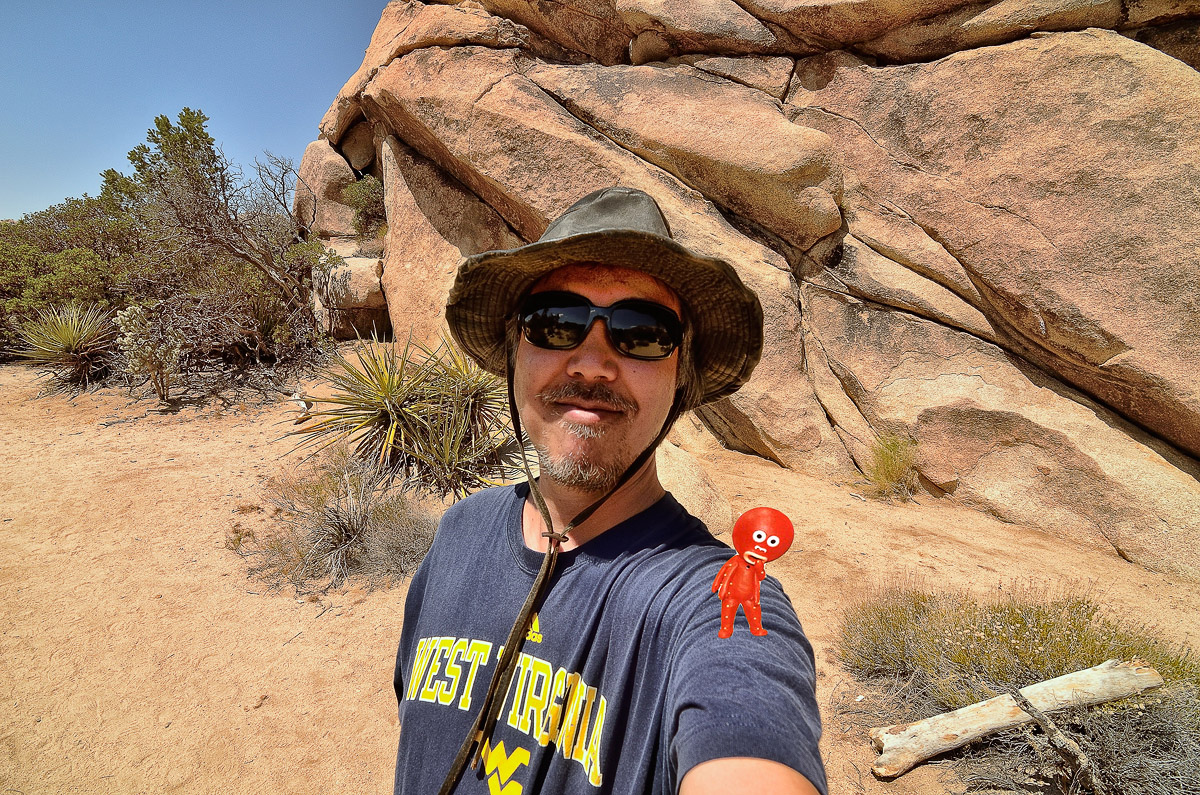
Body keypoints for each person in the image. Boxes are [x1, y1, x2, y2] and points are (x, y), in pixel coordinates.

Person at [392, 187, 826, 795]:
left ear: (681, 379)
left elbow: (748, 716)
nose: (591, 363)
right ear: (515, 351)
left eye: (642, 333)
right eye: (555, 323)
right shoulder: (460, 531)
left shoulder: (717, 604)